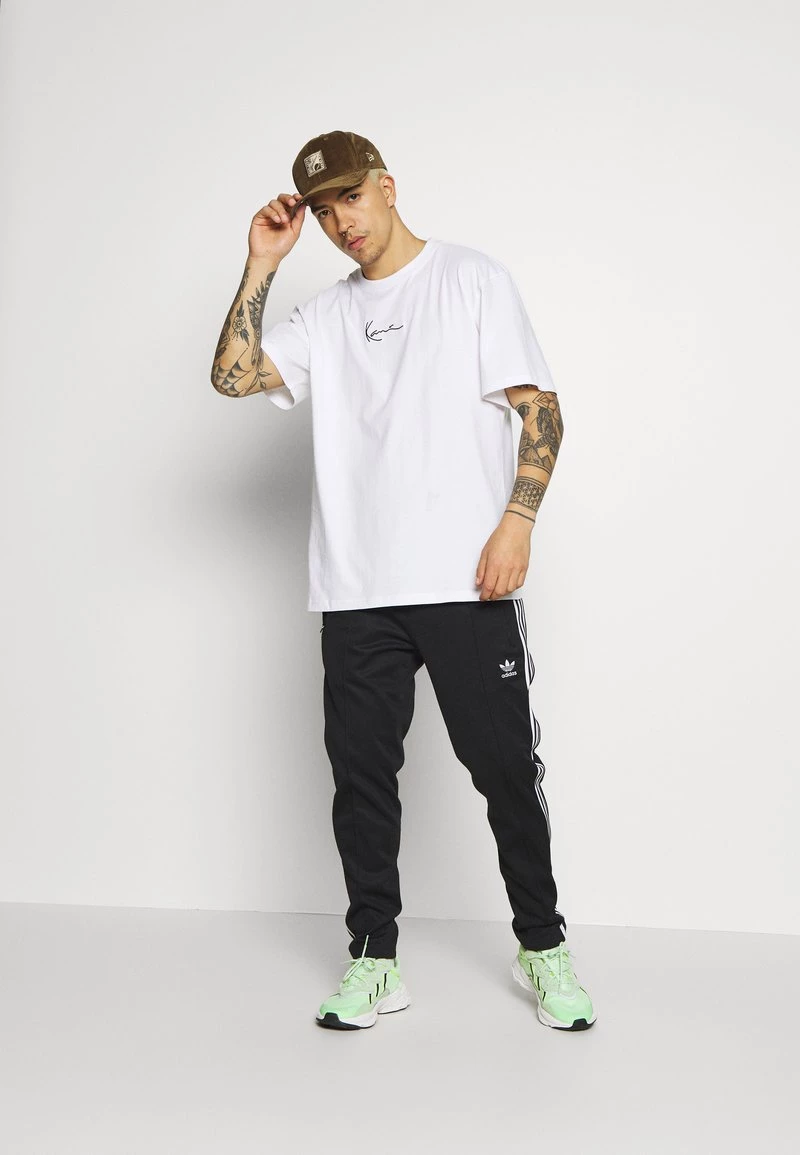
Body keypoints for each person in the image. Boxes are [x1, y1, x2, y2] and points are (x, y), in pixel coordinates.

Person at [211, 130, 596, 1032]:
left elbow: (540, 408)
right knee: (362, 782)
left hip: (467, 581)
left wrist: (517, 521)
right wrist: (262, 261)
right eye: (322, 209)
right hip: (355, 589)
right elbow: (233, 377)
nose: (340, 221)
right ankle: (375, 958)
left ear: (386, 185)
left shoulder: (470, 278)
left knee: (505, 770)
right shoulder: (326, 315)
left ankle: (543, 946)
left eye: (350, 197)